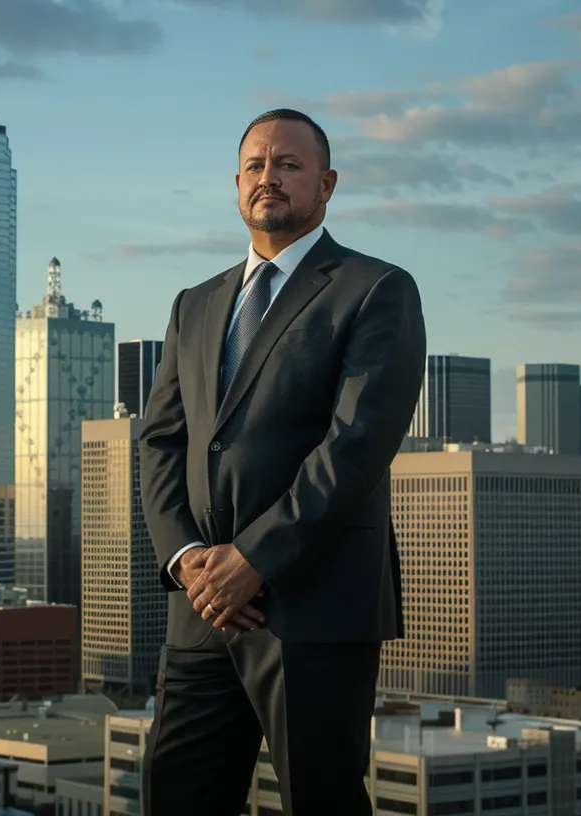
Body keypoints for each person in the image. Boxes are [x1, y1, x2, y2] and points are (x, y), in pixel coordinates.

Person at [137, 108, 427, 815]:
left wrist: (255, 560)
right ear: (237, 184)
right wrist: (188, 560)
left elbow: (355, 446)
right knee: (176, 796)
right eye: (257, 165)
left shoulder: (376, 289)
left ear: (326, 185)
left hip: (314, 605)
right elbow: (162, 441)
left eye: (289, 164)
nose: (270, 177)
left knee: (321, 800)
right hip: (203, 609)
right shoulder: (194, 305)